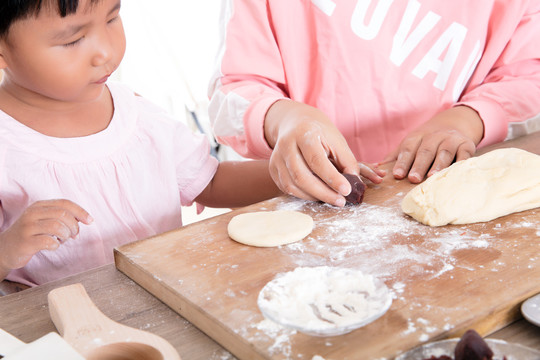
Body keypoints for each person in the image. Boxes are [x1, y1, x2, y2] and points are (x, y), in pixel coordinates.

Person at [0, 0, 281, 287]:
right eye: (73, 40)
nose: (106, 52)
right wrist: (7, 251)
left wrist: (288, 174)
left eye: (112, 18)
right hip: (60, 327)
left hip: (169, 304)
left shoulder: (136, 114)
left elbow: (209, 183)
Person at [208, 0, 540, 207]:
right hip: (307, 203)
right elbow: (234, 90)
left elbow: (527, 79)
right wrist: (284, 118)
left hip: (452, 189)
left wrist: (468, 120)